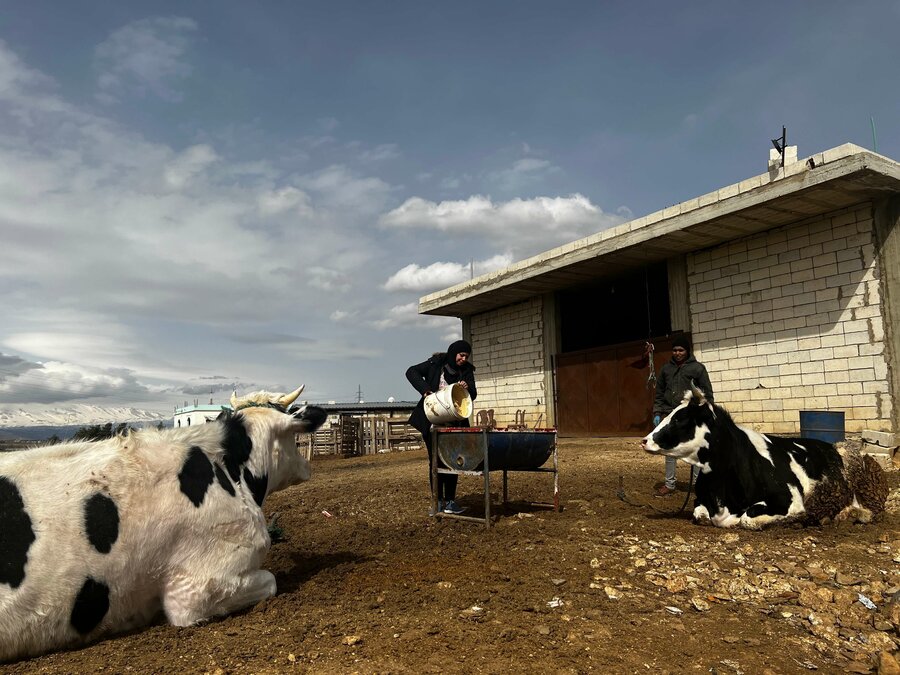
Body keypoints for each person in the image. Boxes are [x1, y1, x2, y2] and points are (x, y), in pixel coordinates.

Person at [406, 339, 477, 515]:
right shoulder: (436, 363)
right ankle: (437, 501)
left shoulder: (466, 370)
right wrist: (425, 389)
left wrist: (467, 388)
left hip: (455, 423)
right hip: (432, 419)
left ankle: (451, 502)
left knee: (453, 461)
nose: (463, 359)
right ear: (454, 353)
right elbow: (411, 372)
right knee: (435, 461)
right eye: (461, 355)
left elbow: (473, 394)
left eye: (466, 356)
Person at [652, 335, 713, 497]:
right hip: (671, 415)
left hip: (691, 416)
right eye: (675, 350)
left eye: (681, 350)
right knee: (669, 449)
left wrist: (707, 412)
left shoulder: (697, 368)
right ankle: (669, 484)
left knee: (694, 449)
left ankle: (697, 484)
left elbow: (707, 392)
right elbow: (659, 393)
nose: (677, 353)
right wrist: (658, 412)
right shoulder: (666, 369)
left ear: (687, 351)